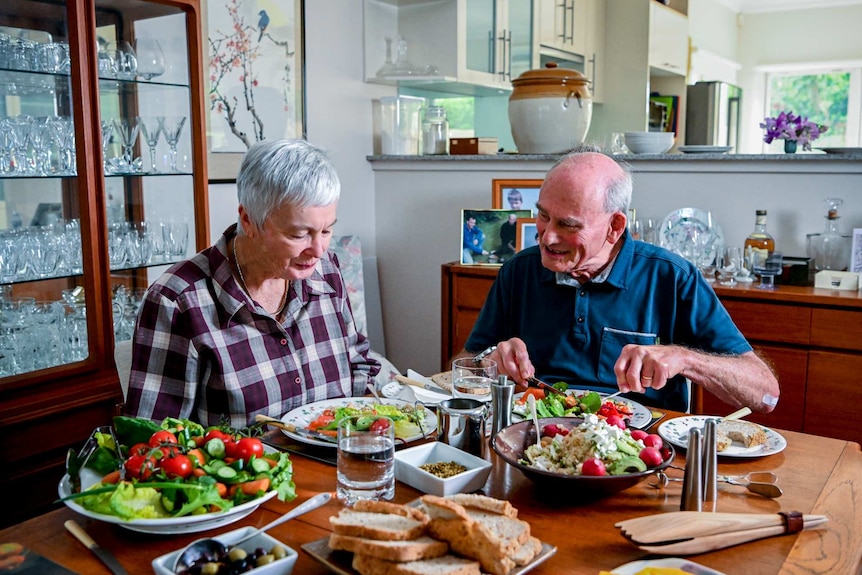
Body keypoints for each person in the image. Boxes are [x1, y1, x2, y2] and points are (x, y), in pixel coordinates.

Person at [457, 149, 779, 413]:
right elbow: (460, 365)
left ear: (615, 226)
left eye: (568, 225)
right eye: (543, 216)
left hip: (641, 451)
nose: (547, 236)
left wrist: (684, 358)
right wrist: (486, 364)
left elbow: (766, 394)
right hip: (534, 437)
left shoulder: (671, 277)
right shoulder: (519, 271)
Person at [124, 139, 381, 428]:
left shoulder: (327, 271)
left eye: (327, 230)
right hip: (248, 472)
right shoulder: (178, 301)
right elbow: (153, 439)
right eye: (299, 235)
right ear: (248, 220)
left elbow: (358, 365)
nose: (318, 249)